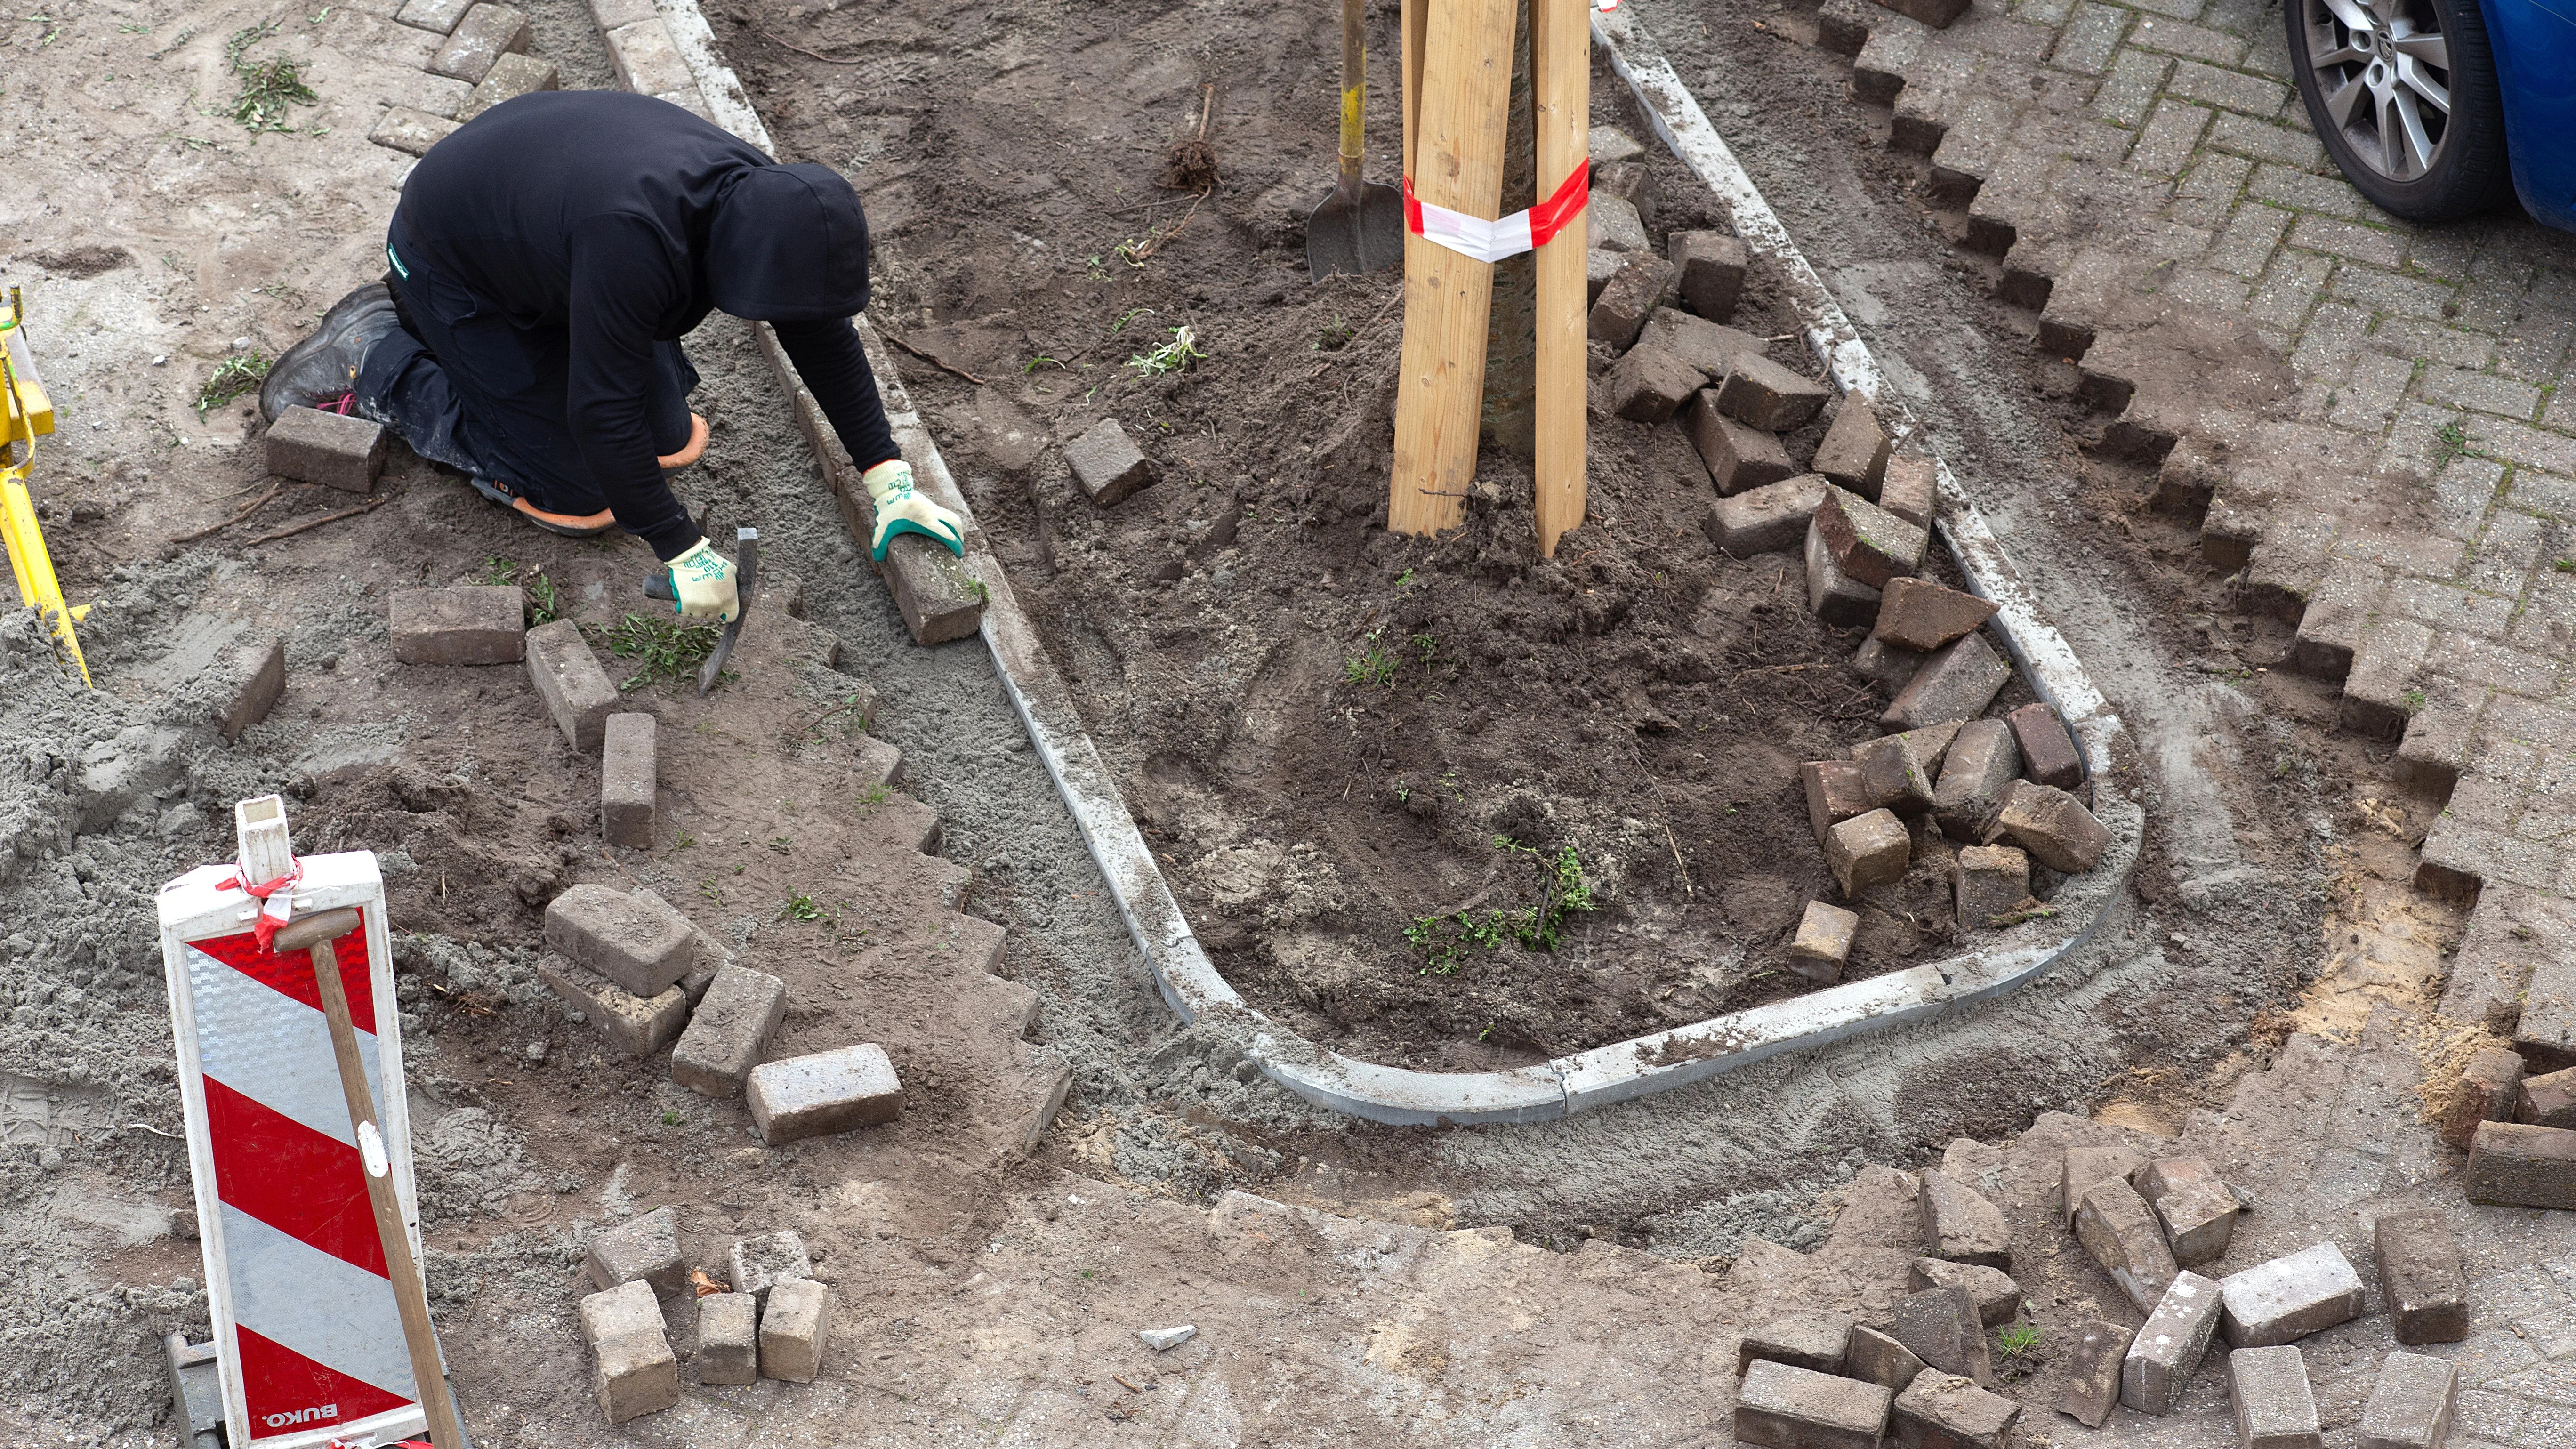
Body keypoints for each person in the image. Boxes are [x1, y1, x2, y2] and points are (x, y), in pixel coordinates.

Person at [259, 89, 962, 622]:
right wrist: (680, 546)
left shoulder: (764, 201)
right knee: (584, 494)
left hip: (553, 243)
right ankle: (374, 348)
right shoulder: (635, 242)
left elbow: (819, 332)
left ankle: (507, 349)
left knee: (670, 441)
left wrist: (886, 474)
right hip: (450, 258)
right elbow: (600, 413)